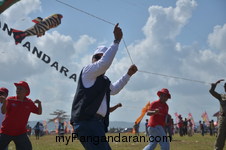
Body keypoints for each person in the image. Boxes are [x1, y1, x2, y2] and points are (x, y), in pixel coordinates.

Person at [70, 23, 138, 150]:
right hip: (87, 122)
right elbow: (104, 63)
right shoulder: (88, 71)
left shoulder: (104, 80)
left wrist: (128, 74)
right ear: (93, 59)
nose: (100, 59)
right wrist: (117, 41)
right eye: (97, 57)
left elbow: (114, 89)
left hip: (95, 123)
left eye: (102, 56)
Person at [0, 81, 42, 150]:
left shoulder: (29, 102)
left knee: (28, 148)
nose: (18, 90)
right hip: (6, 131)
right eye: (17, 88)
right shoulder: (10, 99)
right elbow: (3, 111)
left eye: (20, 89)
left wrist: (39, 104)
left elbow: (39, 112)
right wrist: (4, 102)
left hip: (20, 132)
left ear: (26, 91)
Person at [209, 79, 226, 150]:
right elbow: (212, 92)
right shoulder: (221, 96)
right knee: (220, 136)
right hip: (223, 118)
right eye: (225, 87)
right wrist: (214, 85)